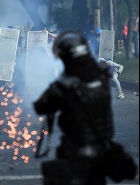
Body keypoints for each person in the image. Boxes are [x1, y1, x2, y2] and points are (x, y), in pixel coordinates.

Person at [33, 31, 130, 184]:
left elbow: (40, 106)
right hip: (101, 149)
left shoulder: (65, 84)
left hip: (75, 150)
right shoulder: (101, 77)